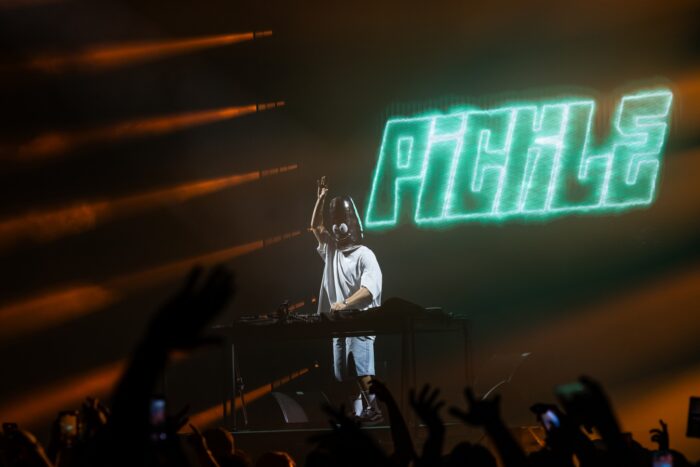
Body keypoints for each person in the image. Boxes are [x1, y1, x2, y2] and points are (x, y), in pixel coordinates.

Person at [310, 176, 383, 424]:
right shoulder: (331, 250)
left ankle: (375, 409)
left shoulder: (365, 255)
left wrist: (345, 303)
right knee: (343, 373)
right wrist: (321, 199)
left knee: (362, 369)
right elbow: (315, 227)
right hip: (338, 324)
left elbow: (369, 290)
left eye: (342, 222)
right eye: (335, 223)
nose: (337, 228)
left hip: (360, 322)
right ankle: (358, 412)